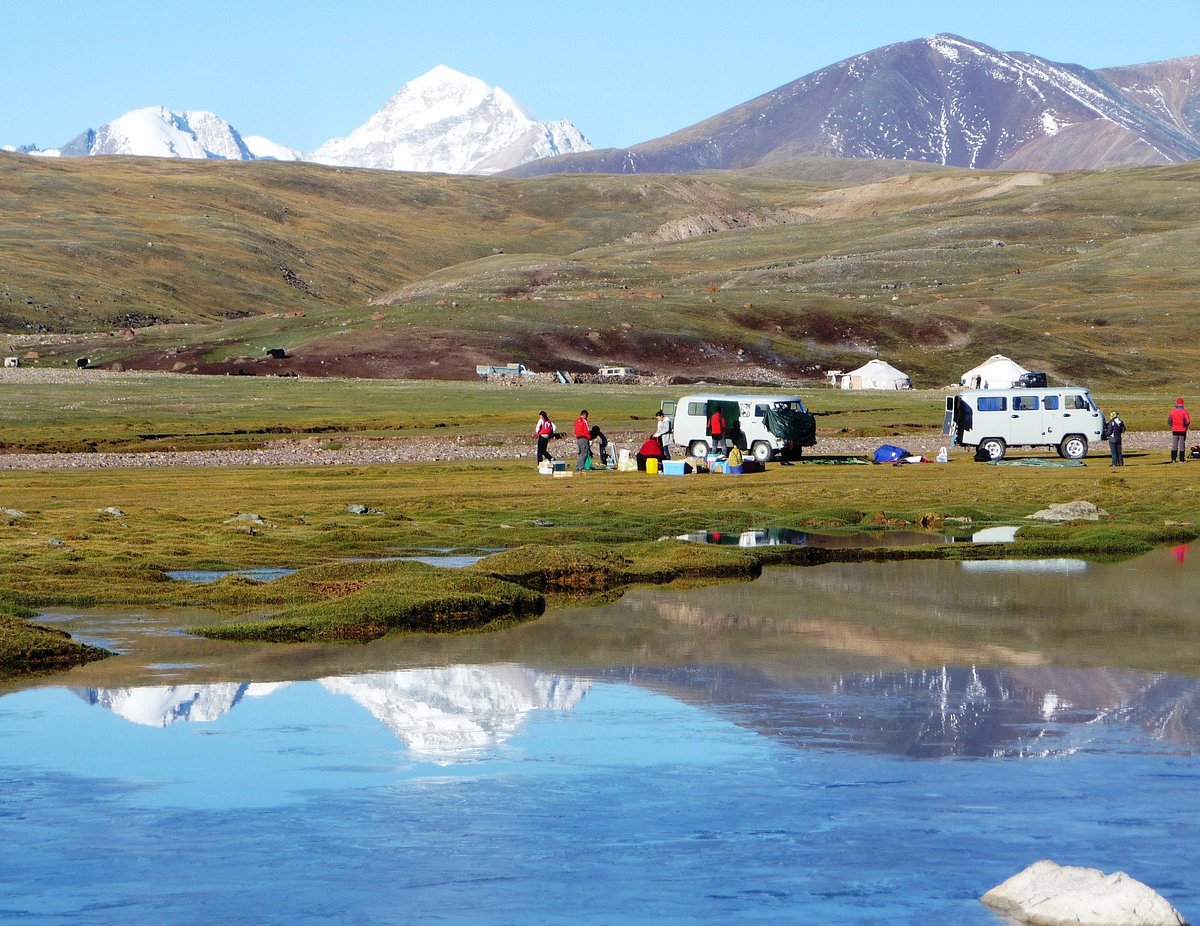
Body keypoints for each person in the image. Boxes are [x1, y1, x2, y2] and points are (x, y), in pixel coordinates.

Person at [1168, 397, 1191, 462]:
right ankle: (1181, 459)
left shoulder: (1172, 411)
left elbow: (1169, 421)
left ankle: (1173, 459)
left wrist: (1173, 425)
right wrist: (1185, 426)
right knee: (1182, 444)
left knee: (1174, 444)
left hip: (1174, 430)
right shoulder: (1184, 411)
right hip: (1182, 430)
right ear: (1182, 403)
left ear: (1176, 403)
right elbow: (1188, 421)